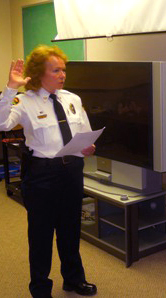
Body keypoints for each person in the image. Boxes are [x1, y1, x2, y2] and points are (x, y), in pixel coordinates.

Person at [0, 45, 97, 297]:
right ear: (39, 73)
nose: (62, 74)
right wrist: (10, 88)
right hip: (42, 174)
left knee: (70, 229)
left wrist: (88, 147)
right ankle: (40, 287)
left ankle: (74, 279)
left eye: (63, 70)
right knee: (41, 234)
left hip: (72, 171)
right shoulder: (25, 101)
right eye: (56, 70)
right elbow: (2, 123)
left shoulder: (73, 99)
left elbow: (85, 134)